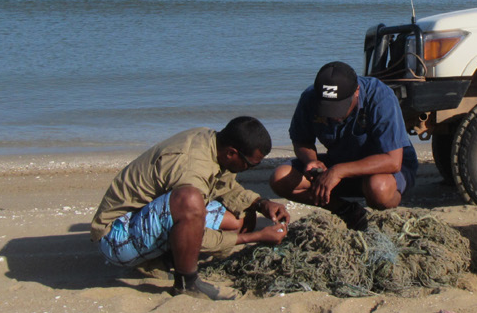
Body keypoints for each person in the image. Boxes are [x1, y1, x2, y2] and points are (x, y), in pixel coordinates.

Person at [90, 116, 290, 300]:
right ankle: (186, 283)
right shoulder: (192, 168)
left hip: (150, 215)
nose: (250, 169)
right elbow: (198, 234)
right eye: (250, 165)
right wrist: (256, 237)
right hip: (116, 237)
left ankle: (161, 259)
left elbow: (227, 187)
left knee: (241, 216)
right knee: (190, 200)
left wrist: (262, 203)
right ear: (232, 153)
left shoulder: (213, 143)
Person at [269, 61, 418, 230]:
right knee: (280, 177)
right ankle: (347, 211)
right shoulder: (310, 97)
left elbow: (393, 161)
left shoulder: (381, 97)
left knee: (378, 189)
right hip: (339, 161)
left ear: (356, 92)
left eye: (340, 109)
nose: (335, 117)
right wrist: (311, 160)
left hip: (382, 170)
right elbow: (302, 140)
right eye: (328, 110)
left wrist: (339, 171)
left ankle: (383, 216)